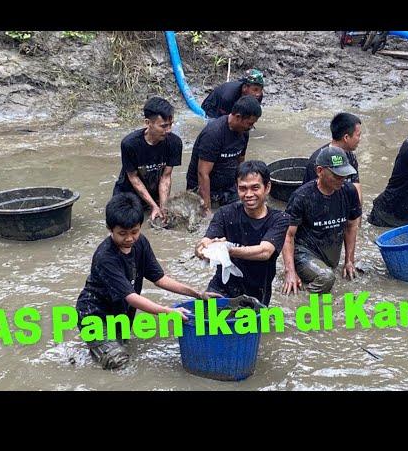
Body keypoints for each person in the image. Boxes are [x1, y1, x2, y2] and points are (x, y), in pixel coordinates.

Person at [76, 193, 220, 370]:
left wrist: (197, 294)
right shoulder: (105, 257)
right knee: (118, 363)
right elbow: (132, 297)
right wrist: (167, 311)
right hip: (94, 315)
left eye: (134, 232)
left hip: (120, 313)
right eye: (122, 233)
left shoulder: (140, 243)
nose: (129, 238)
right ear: (109, 229)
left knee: (122, 347)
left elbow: (159, 278)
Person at [194, 161, 290, 306]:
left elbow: (265, 252)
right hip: (221, 287)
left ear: (267, 187)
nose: (249, 194)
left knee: (252, 327)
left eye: (255, 188)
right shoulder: (224, 214)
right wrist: (201, 249)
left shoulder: (280, 219)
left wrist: (228, 250)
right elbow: (207, 240)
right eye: (243, 188)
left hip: (257, 292)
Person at [282, 147, 361, 295]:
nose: (342, 180)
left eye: (344, 175)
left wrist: (349, 261)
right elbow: (288, 235)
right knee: (326, 277)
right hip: (304, 253)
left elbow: (351, 226)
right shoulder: (302, 196)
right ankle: (302, 300)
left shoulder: (349, 192)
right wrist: (290, 272)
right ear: (320, 171)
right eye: (337, 175)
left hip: (329, 254)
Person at [186, 95, 262, 215]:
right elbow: (203, 173)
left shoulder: (244, 132)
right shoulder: (213, 134)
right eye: (249, 123)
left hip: (228, 187)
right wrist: (206, 208)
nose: (251, 127)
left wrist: (245, 188)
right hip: (203, 188)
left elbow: (240, 163)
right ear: (238, 117)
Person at [112, 97, 182, 224]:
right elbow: (133, 178)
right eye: (163, 126)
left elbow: (166, 177)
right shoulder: (129, 144)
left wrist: (163, 207)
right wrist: (153, 206)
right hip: (128, 192)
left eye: (171, 125)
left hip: (153, 190)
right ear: (148, 122)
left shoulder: (174, 142)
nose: (169, 130)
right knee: (123, 222)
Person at [303, 112, 363, 208]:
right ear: (346, 137)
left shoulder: (350, 156)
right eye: (358, 135)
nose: (360, 139)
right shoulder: (318, 161)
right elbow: (308, 197)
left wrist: (356, 214)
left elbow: (356, 188)